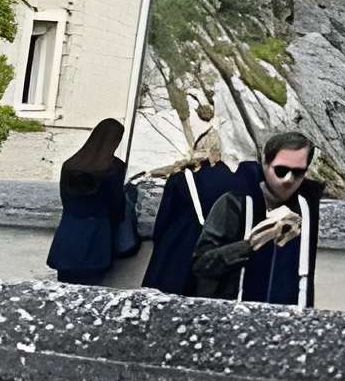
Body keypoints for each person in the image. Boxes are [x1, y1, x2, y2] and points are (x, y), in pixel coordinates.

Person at [190, 130, 325, 307]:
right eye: (281, 170)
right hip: (234, 316)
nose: (288, 179)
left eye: (298, 173)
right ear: (265, 164)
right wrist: (249, 245)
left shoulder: (307, 205)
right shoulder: (235, 202)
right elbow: (201, 264)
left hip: (286, 319)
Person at [142, 122, 238, 295]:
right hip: (216, 253)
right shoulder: (234, 180)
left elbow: (162, 223)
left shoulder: (181, 179)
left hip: (178, 249)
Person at [45, 120, 133, 286]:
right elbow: (116, 206)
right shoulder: (114, 168)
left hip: (68, 233)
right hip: (97, 235)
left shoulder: (70, 165)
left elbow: (64, 199)